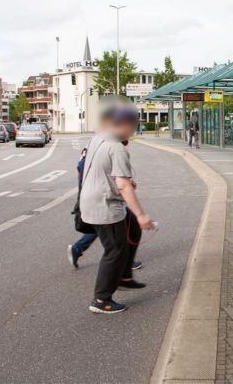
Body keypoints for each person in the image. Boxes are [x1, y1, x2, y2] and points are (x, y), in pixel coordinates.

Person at [80, 101, 155, 314]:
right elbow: (122, 185)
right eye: (133, 126)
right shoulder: (116, 147)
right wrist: (141, 214)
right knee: (115, 250)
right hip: (104, 205)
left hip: (94, 198)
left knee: (132, 228)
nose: (133, 132)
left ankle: (124, 276)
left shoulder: (99, 138)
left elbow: (101, 169)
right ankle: (101, 299)